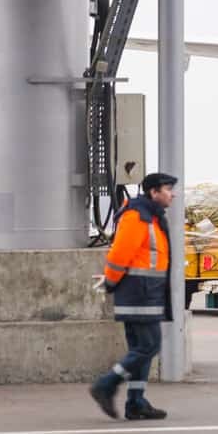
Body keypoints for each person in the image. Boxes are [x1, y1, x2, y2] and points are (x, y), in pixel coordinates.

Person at [89, 172, 177, 421]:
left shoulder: (151, 216)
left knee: (142, 349)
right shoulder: (138, 216)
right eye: (168, 189)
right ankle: (106, 385)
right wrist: (111, 282)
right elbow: (119, 254)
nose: (173, 194)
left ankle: (136, 403)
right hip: (139, 293)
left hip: (146, 293)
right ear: (154, 192)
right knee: (149, 346)